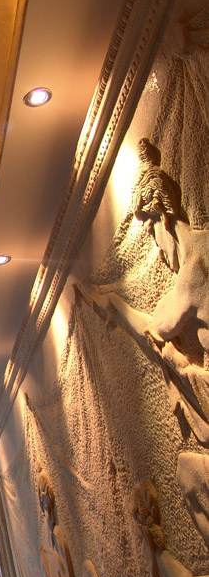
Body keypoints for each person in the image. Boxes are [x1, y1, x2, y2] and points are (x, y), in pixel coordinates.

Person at [85, 138, 209, 441]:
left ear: (162, 217)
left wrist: (113, 303)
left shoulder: (191, 275)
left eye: (151, 229)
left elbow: (154, 330)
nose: (157, 243)